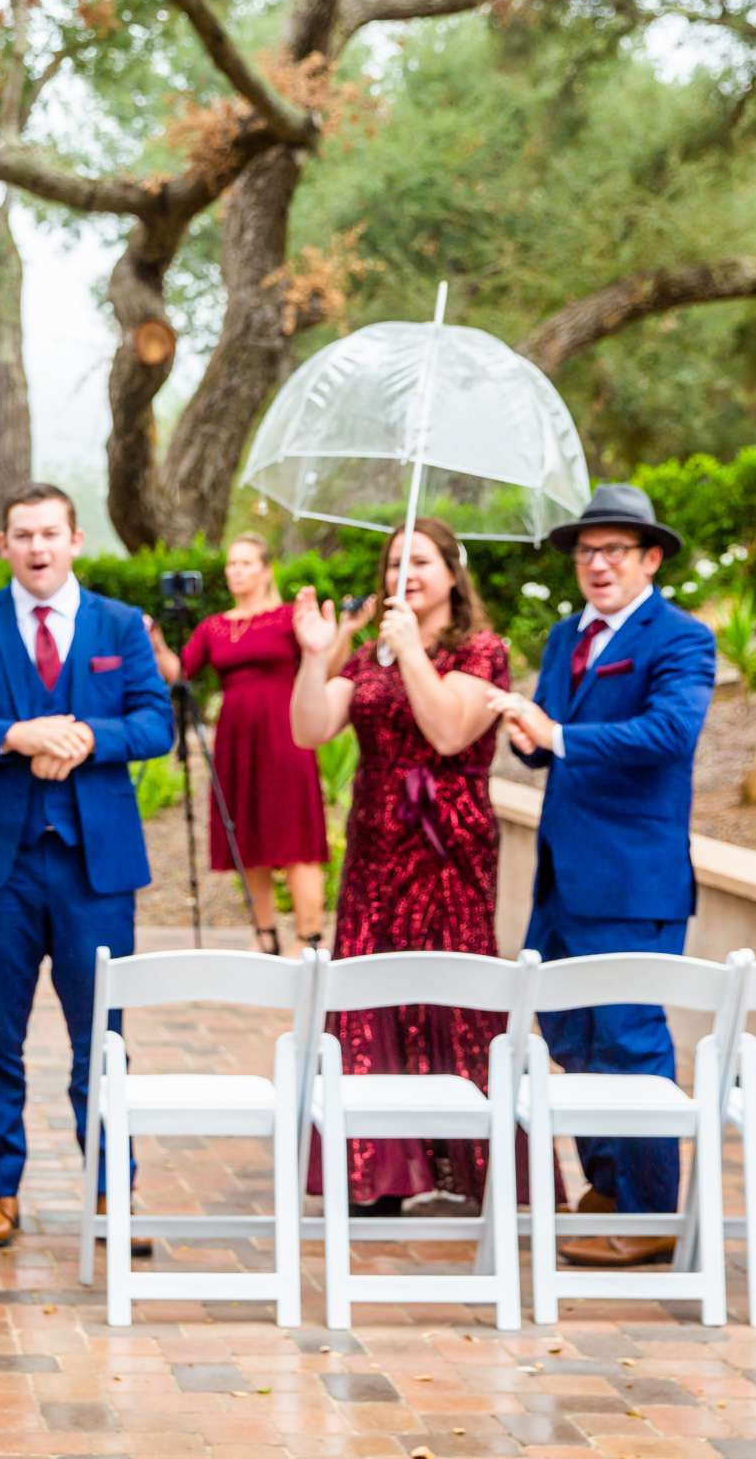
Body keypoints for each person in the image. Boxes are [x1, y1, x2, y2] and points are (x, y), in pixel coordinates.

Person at [486, 483, 715, 1266]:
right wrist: (528, 735)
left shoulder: (680, 639)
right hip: (561, 879)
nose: (599, 564)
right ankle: (610, 1184)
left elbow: (671, 731)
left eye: (616, 550)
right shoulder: (563, 638)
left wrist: (564, 735)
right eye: (588, 551)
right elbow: (549, 734)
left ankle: (654, 1212)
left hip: (631, 881)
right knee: (567, 1032)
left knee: (629, 1038)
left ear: (651, 558)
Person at [0, 483, 171, 1252]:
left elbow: (155, 722)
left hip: (94, 871)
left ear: (76, 539)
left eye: (50, 533)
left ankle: (113, 1192)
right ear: (3, 545)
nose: (37, 547)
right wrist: (16, 734)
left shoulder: (118, 625)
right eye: (23, 535)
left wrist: (84, 737)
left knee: (102, 1039)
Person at [289, 516, 512, 1213]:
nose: (404, 576)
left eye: (418, 561)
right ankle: (376, 1173)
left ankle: (467, 1166)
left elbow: (449, 732)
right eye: (393, 564)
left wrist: (412, 651)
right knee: (370, 988)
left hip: (452, 848)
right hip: (377, 846)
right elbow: (309, 729)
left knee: (453, 986)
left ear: (451, 572)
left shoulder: (482, 650)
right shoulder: (368, 660)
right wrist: (313, 656)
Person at [149, 535, 331, 954]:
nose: (237, 572)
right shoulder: (214, 626)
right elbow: (180, 674)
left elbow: (323, 667)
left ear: (267, 569)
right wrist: (157, 642)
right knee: (249, 839)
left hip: (287, 735)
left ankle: (311, 942)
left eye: (247, 563)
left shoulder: (290, 617)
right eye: (232, 564)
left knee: (297, 838)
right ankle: (264, 936)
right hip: (237, 743)